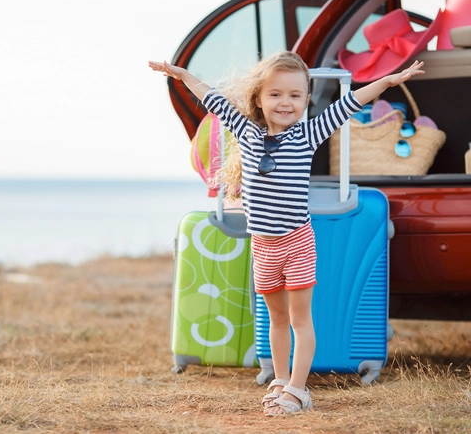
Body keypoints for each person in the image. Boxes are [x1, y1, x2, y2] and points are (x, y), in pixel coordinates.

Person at [149, 52, 424, 416]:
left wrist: (387, 82)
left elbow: (350, 102)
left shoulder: (308, 134)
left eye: (295, 95)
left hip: (297, 244)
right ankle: (280, 381)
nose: (285, 102)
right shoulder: (245, 130)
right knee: (276, 320)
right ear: (259, 99)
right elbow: (211, 96)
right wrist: (182, 74)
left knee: (299, 319)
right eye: (275, 94)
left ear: (306, 100)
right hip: (263, 247)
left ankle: (298, 389)